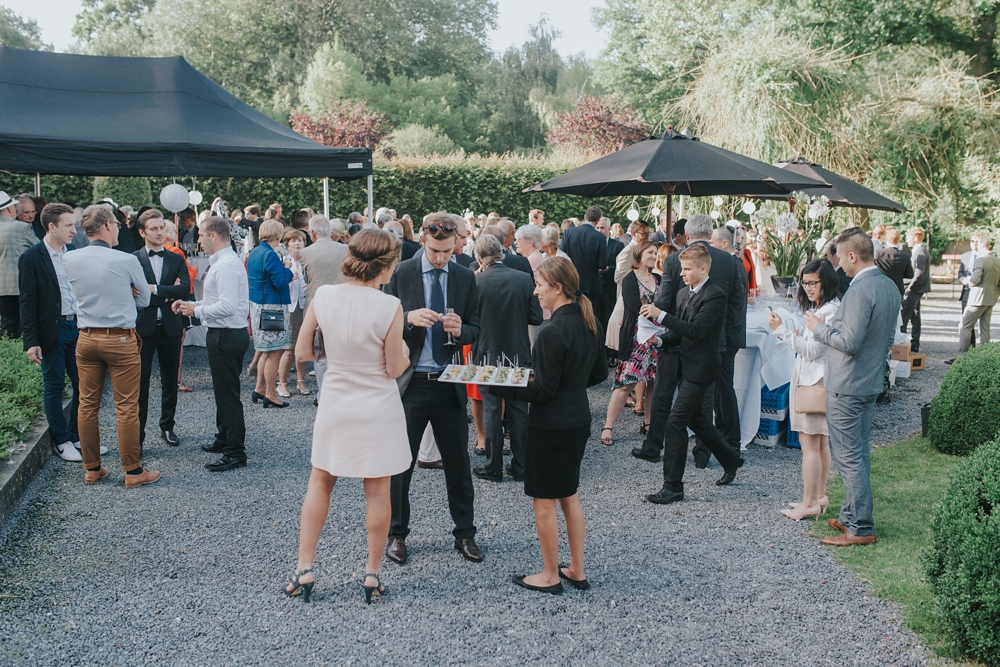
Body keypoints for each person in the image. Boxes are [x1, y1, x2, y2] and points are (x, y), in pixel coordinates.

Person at [283, 229, 412, 604]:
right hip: (377, 406)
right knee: (377, 490)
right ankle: (372, 574)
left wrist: (337, 360)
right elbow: (392, 368)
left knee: (320, 482)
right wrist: (402, 351)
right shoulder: (390, 306)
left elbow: (303, 352)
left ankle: (305, 568)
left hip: (337, 400)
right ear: (384, 266)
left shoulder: (324, 295)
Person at [490, 257, 608, 594]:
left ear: (557, 287)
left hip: (551, 425)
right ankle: (576, 569)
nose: (535, 291)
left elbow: (542, 390)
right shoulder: (589, 320)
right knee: (569, 495)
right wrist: (567, 383)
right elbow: (598, 373)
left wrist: (500, 384)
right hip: (577, 420)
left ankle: (549, 574)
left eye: (539, 285)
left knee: (544, 501)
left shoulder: (551, 331)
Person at [383, 213, 482, 565]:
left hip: (448, 381)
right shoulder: (401, 273)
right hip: (412, 384)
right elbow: (382, 322)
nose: (442, 258)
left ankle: (465, 534)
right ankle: (397, 534)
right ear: (423, 240)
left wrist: (462, 330)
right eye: (436, 250)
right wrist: (407, 319)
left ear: (457, 244)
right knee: (400, 465)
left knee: (458, 463)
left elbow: (476, 327)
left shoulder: (464, 276)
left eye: (448, 251)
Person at [805, 228, 899, 546]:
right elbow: (885, 341)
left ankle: (860, 528)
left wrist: (820, 328)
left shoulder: (860, 290)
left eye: (841, 258)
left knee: (849, 457)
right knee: (858, 454)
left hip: (849, 383)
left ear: (853, 256)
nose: (839, 265)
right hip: (870, 381)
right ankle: (850, 516)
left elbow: (849, 342)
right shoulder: (889, 286)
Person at [63, 204, 159, 488]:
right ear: (106, 226)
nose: (118, 227)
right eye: (116, 224)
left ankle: (92, 468)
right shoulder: (126, 260)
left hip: (87, 337)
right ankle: (132, 470)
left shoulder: (70, 258)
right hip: (119, 338)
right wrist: (126, 293)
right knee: (127, 406)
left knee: (87, 404)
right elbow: (144, 301)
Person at [641, 244, 745, 504]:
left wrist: (661, 315)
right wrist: (661, 341)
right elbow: (680, 332)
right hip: (686, 364)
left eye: (687, 269)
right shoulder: (682, 294)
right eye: (681, 268)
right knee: (699, 422)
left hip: (703, 369)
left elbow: (697, 330)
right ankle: (732, 459)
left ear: (703, 268)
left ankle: (673, 486)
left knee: (675, 422)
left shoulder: (716, 295)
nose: (682, 274)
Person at [172, 216, 251, 472]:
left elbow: (227, 307)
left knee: (228, 395)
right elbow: (217, 300)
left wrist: (195, 312)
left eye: (201, 235)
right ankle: (224, 438)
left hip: (227, 335)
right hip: (223, 333)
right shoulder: (224, 261)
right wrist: (193, 306)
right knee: (222, 392)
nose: (198, 240)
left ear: (214, 235)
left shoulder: (226, 265)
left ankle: (235, 451)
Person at [768, 259, 840, 520]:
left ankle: (809, 501)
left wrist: (782, 333)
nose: (808, 288)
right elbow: (811, 345)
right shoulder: (825, 308)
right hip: (817, 380)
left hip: (815, 382)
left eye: (813, 283)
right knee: (820, 442)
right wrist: (795, 334)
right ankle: (818, 496)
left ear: (826, 282)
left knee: (810, 444)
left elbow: (811, 351)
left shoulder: (829, 311)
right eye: (805, 282)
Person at [470, 234, 543, 483]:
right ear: (502, 252)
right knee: (519, 410)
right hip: (518, 352)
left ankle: (493, 466)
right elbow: (536, 317)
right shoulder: (523, 279)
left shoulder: (476, 282)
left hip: (487, 352)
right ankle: (521, 466)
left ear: (480, 257)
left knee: (492, 410)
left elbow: (470, 322)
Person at [18, 203, 84, 462]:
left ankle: (76, 435)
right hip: (51, 330)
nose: (73, 229)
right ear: (51, 227)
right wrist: (31, 341)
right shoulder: (32, 257)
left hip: (77, 326)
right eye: (68, 225)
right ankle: (62, 440)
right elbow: (27, 301)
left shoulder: (74, 252)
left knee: (83, 385)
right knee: (54, 385)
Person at [133, 209, 191, 448]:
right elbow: (130, 291)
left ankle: (167, 426)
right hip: (143, 329)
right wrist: (168, 291)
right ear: (142, 232)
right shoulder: (133, 259)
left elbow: (184, 289)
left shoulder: (176, 258)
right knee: (140, 383)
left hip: (170, 327)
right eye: (154, 228)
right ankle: (138, 434)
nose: (160, 233)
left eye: (162, 228)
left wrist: (153, 290)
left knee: (170, 380)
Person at [601, 241, 659, 445]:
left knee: (653, 383)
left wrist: (658, 314)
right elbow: (635, 306)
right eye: (650, 252)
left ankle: (649, 422)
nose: (654, 256)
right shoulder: (629, 279)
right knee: (625, 384)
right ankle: (608, 426)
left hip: (656, 340)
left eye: (655, 253)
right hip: (635, 340)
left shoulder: (658, 278)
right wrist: (659, 314)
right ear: (639, 254)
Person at [300, 215, 350, 399]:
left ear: (312, 233)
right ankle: (342, 392)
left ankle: (324, 395)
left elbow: (306, 278)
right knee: (343, 350)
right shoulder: (345, 249)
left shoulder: (306, 253)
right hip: (343, 303)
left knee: (320, 352)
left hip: (317, 306)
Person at [247, 219, 294, 408]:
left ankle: (260, 388)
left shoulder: (255, 252)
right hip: (272, 308)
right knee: (274, 352)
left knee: (265, 351)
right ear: (278, 234)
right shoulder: (270, 255)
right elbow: (280, 282)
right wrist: (289, 271)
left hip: (259, 306)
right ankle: (270, 393)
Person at [559, 206, 607, 324]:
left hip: (570, 280)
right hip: (591, 283)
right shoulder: (600, 237)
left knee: (570, 315)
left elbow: (560, 255)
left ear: (585, 217)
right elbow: (602, 264)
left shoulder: (569, 232)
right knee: (589, 317)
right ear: (598, 220)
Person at [277, 229, 310, 397]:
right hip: (290, 306)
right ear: (287, 244)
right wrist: (289, 277)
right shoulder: (284, 262)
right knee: (289, 347)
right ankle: (282, 383)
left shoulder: (308, 261)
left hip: (305, 305)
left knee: (303, 346)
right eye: (293, 241)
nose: (297, 244)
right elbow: (277, 284)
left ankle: (301, 381)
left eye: (300, 241)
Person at [0, 191, 39, 338]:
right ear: (10, 209)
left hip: (2, 287)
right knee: (24, 326)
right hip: (20, 284)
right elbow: (40, 248)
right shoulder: (20, 227)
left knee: (6, 326)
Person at [955, 233, 1000, 358]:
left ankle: (962, 357)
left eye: (978, 243)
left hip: (977, 299)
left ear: (982, 244)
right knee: (984, 329)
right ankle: (984, 357)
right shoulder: (997, 260)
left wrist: (967, 280)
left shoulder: (980, 259)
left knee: (964, 326)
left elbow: (975, 280)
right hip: (991, 298)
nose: (976, 245)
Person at [900, 227, 930, 352]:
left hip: (915, 289)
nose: (907, 239)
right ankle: (914, 343)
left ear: (916, 237)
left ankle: (901, 343)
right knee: (915, 316)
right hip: (918, 289)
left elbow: (919, 273)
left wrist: (910, 288)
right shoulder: (918, 251)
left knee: (904, 316)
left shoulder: (920, 252)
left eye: (908, 236)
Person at [874, 227, 912, 298]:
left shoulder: (879, 254)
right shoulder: (905, 256)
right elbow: (909, 274)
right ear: (898, 240)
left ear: (886, 239)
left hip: (882, 288)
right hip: (898, 289)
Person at [957, 238, 979, 348]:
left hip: (977, 291)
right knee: (965, 321)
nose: (974, 243)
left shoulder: (983, 257)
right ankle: (969, 348)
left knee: (975, 322)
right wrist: (962, 279)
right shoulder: (966, 255)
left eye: (976, 241)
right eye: (972, 241)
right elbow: (960, 271)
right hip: (965, 290)